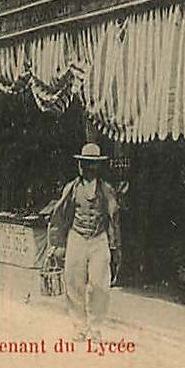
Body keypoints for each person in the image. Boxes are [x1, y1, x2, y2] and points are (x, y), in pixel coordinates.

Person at [47, 143, 127, 342]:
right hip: (77, 236)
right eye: (84, 163)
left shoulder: (106, 190)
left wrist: (114, 244)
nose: (87, 168)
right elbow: (60, 217)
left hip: (98, 238)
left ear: (97, 166)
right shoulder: (71, 188)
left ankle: (96, 326)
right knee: (74, 282)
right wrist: (58, 245)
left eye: (91, 164)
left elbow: (113, 217)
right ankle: (80, 327)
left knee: (100, 284)